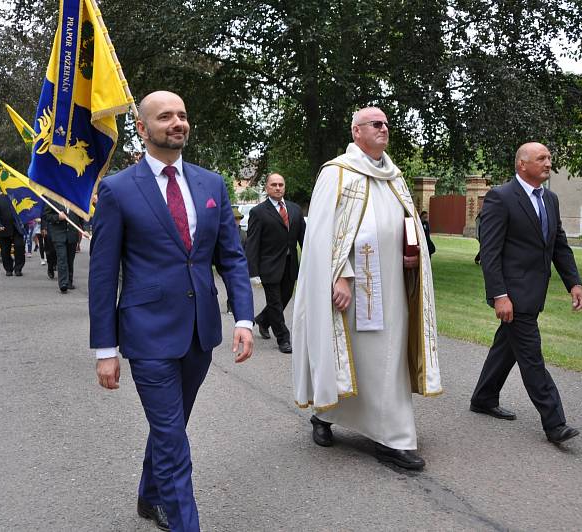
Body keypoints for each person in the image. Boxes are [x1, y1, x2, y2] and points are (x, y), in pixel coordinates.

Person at [89, 90, 254, 532]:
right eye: (165, 117)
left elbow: (232, 258)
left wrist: (243, 318)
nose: (177, 122)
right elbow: (103, 276)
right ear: (142, 129)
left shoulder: (211, 184)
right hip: (147, 336)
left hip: (199, 334)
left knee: (171, 426)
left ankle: (148, 496)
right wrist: (105, 348)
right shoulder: (118, 189)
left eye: (182, 114)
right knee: (174, 442)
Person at [291, 107, 442, 471]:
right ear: (356, 131)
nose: (384, 129)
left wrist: (412, 254)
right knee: (357, 358)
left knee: (386, 359)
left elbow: (409, 223)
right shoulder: (337, 173)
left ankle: (382, 432)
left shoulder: (394, 177)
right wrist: (337, 275)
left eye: (387, 124)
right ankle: (356, 425)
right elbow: (323, 234)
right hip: (354, 289)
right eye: (376, 124)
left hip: (391, 286)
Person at [470, 142, 582, 444]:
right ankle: (555, 423)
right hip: (513, 294)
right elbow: (491, 251)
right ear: (522, 164)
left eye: (549, 157)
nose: (548, 163)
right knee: (531, 357)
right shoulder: (501, 197)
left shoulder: (551, 199)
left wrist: (573, 282)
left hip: (535, 292)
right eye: (541, 158)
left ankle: (483, 397)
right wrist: (499, 295)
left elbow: (558, 244)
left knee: (506, 346)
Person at [245, 173, 306, 353]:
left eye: (281, 184)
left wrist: (311, 259)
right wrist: (253, 272)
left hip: (290, 265)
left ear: (284, 187)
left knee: (284, 298)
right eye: (274, 185)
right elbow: (252, 243)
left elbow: (304, 239)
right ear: (267, 188)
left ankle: (263, 320)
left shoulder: (295, 210)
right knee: (275, 303)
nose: (278, 188)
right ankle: (283, 339)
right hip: (269, 266)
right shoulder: (258, 212)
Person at [42, 198, 83, 293]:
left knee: (70, 259)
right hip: (59, 234)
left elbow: (82, 216)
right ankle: (63, 283)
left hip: (72, 234)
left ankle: (69, 281)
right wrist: (57, 217)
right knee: (62, 257)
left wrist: (84, 229)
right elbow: (46, 215)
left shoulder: (75, 198)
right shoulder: (53, 198)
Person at [0, 190, 26, 277]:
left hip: (17, 228)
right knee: (5, 250)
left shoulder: (18, 196)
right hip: (4, 228)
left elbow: (24, 211)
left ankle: (18, 268)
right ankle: (8, 268)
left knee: (19, 247)